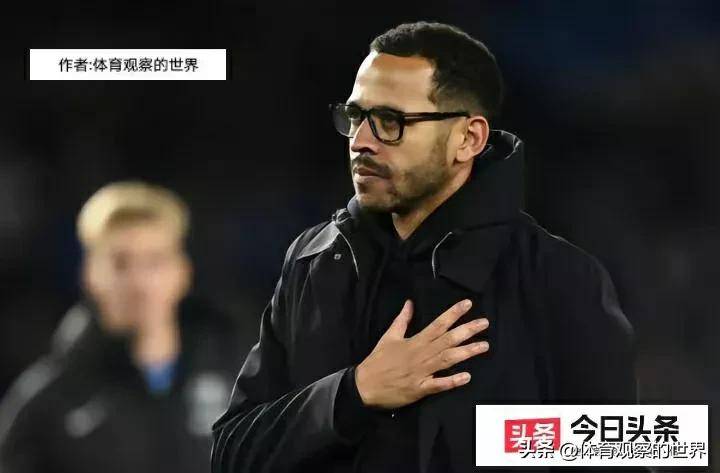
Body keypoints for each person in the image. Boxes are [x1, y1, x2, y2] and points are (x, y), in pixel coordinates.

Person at [211, 22, 639, 473]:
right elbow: (232, 454)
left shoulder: (558, 278)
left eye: (390, 122)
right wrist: (353, 393)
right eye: (355, 116)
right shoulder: (314, 261)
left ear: (468, 139)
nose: (360, 142)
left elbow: (621, 454)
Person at [0, 181, 247, 473]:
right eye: (121, 263)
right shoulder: (48, 402)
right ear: (90, 274)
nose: (139, 282)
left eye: (155, 261)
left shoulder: (241, 381)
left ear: (182, 272)